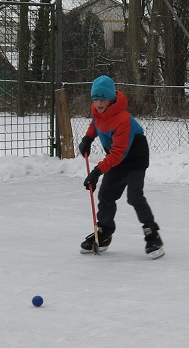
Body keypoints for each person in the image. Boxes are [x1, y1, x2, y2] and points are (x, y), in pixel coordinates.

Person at [77, 75, 164, 259]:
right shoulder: (97, 110)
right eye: (95, 99)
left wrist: (97, 171)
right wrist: (88, 137)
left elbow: (117, 153)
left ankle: (152, 234)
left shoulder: (123, 119)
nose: (98, 103)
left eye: (102, 99)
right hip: (118, 157)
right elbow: (96, 123)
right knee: (106, 194)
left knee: (134, 196)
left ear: (111, 98)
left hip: (134, 158)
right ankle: (105, 232)